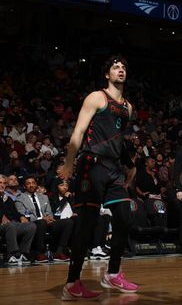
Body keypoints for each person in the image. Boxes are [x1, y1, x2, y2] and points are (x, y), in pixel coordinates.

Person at [57, 56, 139, 300]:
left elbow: (116, 137)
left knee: (124, 218)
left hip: (114, 169)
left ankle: (112, 274)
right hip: (91, 165)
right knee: (87, 224)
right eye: (115, 67)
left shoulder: (128, 107)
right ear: (107, 74)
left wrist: (129, 164)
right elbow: (80, 130)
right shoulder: (97, 97)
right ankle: (72, 283)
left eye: (124, 67)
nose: (121, 70)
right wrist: (69, 162)